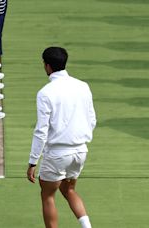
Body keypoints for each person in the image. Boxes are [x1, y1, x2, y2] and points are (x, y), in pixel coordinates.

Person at [26, 47, 96, 228]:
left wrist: (33, 161)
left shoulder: (45, 93)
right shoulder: (83, 86)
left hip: (57, 154)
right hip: (80, 151)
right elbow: (92, 120)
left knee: (48, 195)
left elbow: (41, 130)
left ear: (47, 66)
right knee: (69, 189)